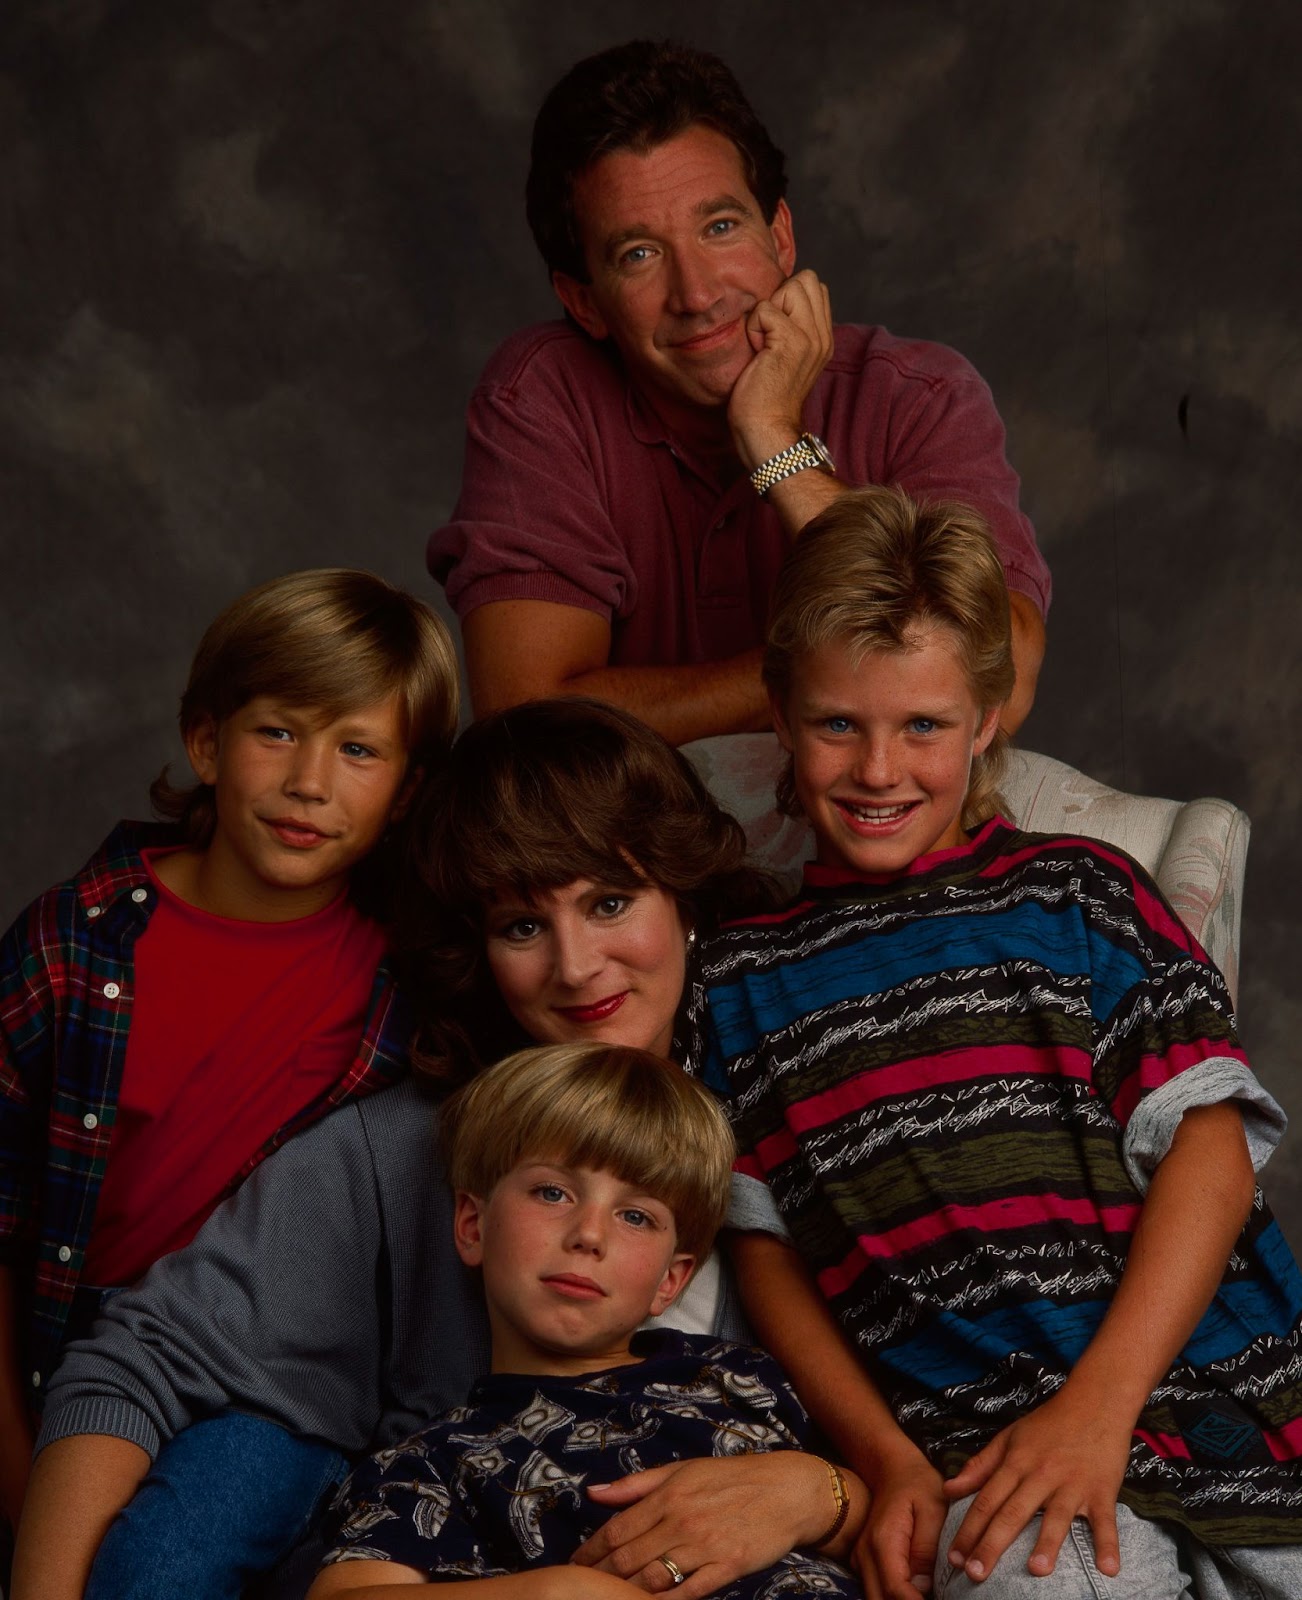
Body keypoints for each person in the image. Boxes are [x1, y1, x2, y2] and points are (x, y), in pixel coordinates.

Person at [13, 701, 819, 1600]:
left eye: (611, 902)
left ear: (685, 900)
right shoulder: (406, 1147)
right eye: (521, 926)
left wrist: (820, 1491)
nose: (577, 966)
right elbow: (143, 1357)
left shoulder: (800, 1101)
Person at [690, 487, 1302, 1600]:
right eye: (839, 724)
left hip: (1237, 1406)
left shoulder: (1079, 895)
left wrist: (1099, 1408)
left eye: (922, 726)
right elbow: (765, 1250)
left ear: (984, 723)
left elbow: (1208, 1151)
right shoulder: (738, 979)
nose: (880, 770)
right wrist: (885, 1459)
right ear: (779, 714)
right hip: (988, 1460)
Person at [0, 568, 458, 1561]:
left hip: (269, 1368)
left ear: (407, 789)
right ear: (206, 743)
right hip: (63, 1341)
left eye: (359, 750)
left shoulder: (407, 978)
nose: (310, 783)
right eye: (279, 732)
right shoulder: (73, 946)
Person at [428, 39, 1051, 748]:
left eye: (720, 227)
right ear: (584, 301)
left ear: (780, 238)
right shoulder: (541, 397)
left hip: (884, 837)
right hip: (633, 849)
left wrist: (774, 438)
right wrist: (840, 677)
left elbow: (1002, 677)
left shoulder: (922, 397)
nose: (696, 294)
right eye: (639, 254)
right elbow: (528, 726)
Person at [308, 1041, 868, 1598]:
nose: (589, 1235)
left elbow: (886, 1519)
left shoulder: (741, 1377)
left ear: (671, 1280)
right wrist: (555, 1593)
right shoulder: (435, 1462)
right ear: (473, 1226)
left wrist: (822, 1492)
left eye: (635, 1216)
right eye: (552, 1192)